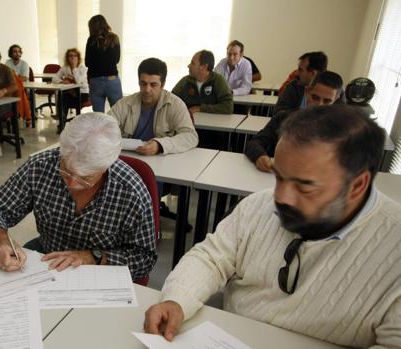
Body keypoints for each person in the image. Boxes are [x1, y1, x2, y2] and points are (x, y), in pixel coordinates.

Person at [144, 105, 401, 348]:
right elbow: (211, 257)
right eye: (279, 175)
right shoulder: (258, 205)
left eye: (304, 185)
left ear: (357, 185)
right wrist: (176, 300)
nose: (281, 197)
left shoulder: (393, 247)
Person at [0, 112, 157, 280]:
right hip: (47, 259)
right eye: (66, 171)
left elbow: (144, 259)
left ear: (107, 166)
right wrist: (1, 242)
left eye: (85, 178)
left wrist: (93, 256)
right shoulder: (41, 166)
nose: (72, 184)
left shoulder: (131, 191)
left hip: (98, 274)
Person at [245, 71, 344, 173]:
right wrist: (260, 156)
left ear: (336, 99)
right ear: (307, 92)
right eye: (315, 97)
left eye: (327, 101)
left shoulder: (341, 131)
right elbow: (254, 143)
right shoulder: (284, 118)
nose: (320, 105)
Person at [108, 58, 198, 155]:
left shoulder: (176, 104)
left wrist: (160, 145)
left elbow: (191, 136)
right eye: (143, 83)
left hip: (161, 160)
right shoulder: (125, 103)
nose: (147, 89)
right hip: (129, 157)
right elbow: (102, 127)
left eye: (153, 85)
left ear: (162, 84)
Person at [172, 50, 233, 149]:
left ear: (204, 66)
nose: (188, 66)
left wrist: (201, 108)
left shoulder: (218, 81)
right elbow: (172, 101)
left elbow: (228, 107)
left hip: (213, 134)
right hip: (188, 129)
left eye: (192, 63)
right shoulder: (185, 81)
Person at [85, 14, 123, 112]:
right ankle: (117, 128)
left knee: (98, 117)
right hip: (112, 80)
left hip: (95, 81)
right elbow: (117, 59)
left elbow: (87, 62)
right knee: (118, 113)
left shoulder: (91, 40)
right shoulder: (114, 38)